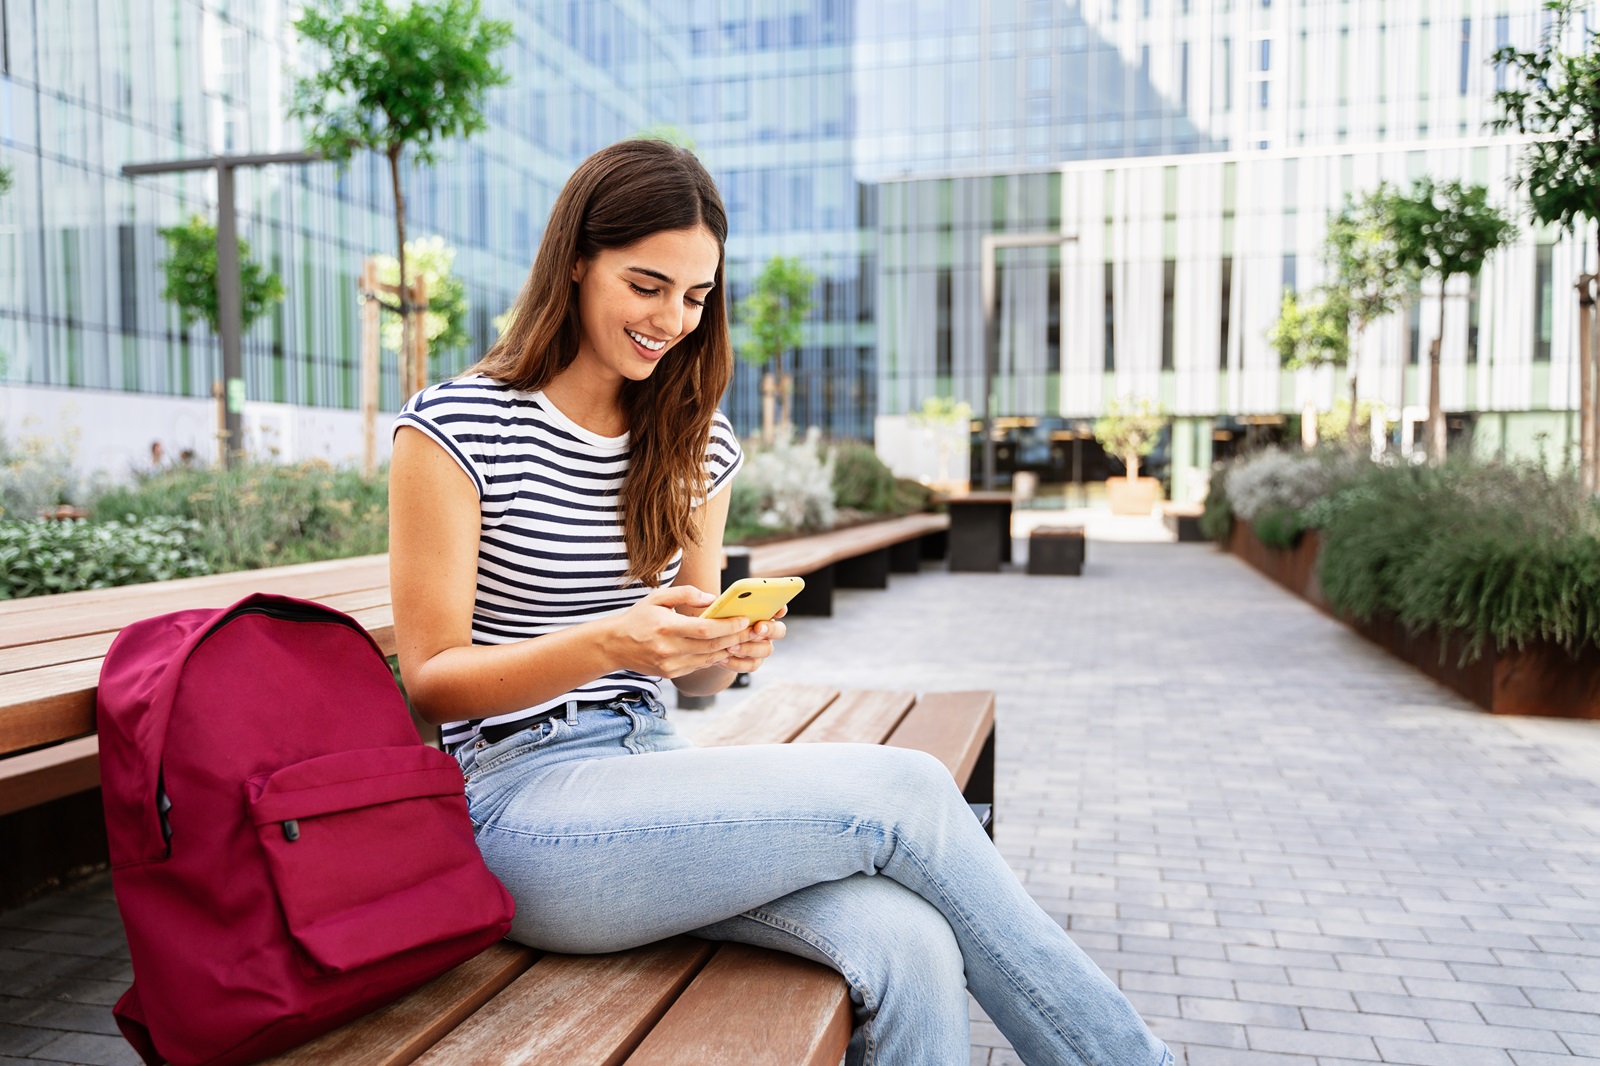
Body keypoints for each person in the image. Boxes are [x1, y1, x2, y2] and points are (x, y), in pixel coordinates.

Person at [388, 138, 1173, 1066]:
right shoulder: (456, 428)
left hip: (655, 770)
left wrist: (726, 644)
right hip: (524, 810)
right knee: (906, 791)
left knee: (910, 942)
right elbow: (432, 683)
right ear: (575, 261)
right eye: (646, 285)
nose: (671, 319)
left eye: (695, 296)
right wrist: (611, 646)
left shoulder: (692, 438)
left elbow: (702, 676)